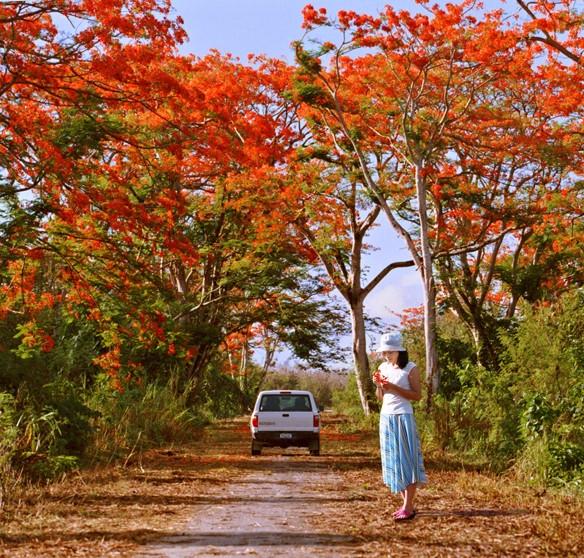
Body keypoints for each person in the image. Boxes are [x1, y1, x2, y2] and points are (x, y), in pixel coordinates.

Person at [372, 332, 427, 521]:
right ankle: (406, 505)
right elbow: (381, 397)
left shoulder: (410, 368)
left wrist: (393, 387)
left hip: (403, 416)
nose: (387, 356)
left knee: (407, 460)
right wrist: (380, 386)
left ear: (399, 351)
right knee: (393, 460)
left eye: (390, 352)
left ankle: (408, 506)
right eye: (384, 353)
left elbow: (417, 395)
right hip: (386, 417)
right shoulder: (383, 367)